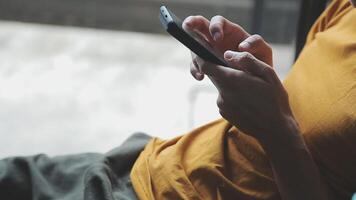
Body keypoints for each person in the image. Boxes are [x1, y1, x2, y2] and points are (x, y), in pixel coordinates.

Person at [0, 0, 355, 199]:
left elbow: (286, 130)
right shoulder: (346, 10)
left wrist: (276, 130)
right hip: (147, 163)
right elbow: (304, 114)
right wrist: (253, 66)